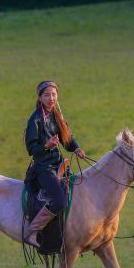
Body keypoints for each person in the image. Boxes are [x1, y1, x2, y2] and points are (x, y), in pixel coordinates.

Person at [23, 80, 86, 247]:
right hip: (43, 168)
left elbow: (68, 139)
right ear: (40, 97)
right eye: (47, 95)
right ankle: (32, 231)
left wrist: (77, 148)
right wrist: (46, 146)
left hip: (59, 165)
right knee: (59, 201)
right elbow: (31, 148)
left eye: (53, 94)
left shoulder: (57, 116)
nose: (51, 98)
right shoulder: (35, 119)